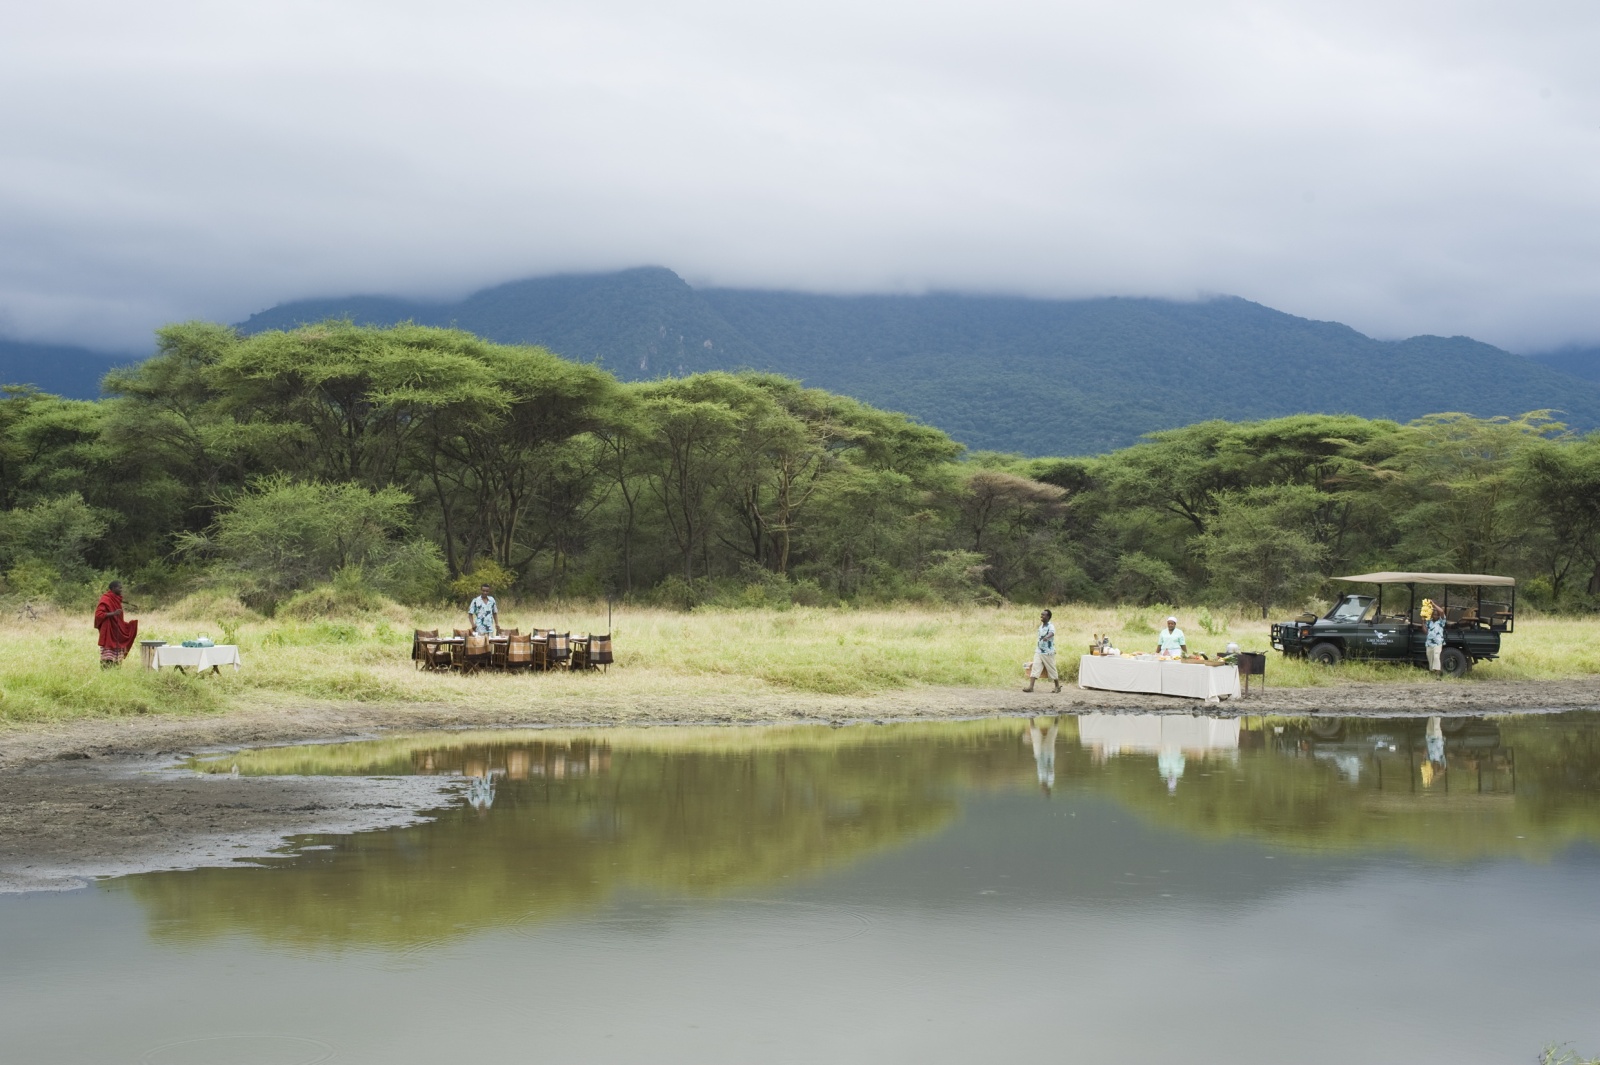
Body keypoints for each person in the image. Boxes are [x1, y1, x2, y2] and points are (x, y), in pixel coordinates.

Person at [93, 580, 138, 668]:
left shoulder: (116, 598)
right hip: (109, 629)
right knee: (108, 654)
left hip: (116, 628)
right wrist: (113, 613)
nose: (121, 589)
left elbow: (119, 617)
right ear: (113, 588)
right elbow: (99, 615)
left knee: (117, 654)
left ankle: (116, 669)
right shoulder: (105, 599)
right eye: (119, 588)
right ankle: (105, 669)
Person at [1024, 609, 1061, 693]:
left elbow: (1052, 633)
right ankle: (1031, 687)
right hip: (1039, 651)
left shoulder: (1050, 626)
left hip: (1048, 652)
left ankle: (1057, 687)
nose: (1041, 616)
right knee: (1035, 667)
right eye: (1041, 615)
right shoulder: (1041, 626)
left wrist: (1047, 637)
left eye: (1043, 615)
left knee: (1051, 669)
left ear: (1048, 617)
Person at [1422, 598, 1445, 677]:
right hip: (1429, 643)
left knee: (1436, 657)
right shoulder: (1429, 621)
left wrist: (1433, 605)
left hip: (1437, 643)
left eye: (1436, 615)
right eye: (1434, 614)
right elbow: (1425, 631)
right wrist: (1423, 622)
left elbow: (1441, 611)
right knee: (1430, 658)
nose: (1435, 616)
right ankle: (1432, 672)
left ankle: (1438, 674)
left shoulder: (1441, 621)